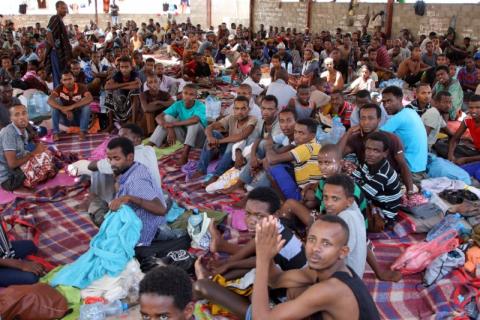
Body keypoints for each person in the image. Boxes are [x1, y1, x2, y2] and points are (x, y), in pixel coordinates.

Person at [193, 187, 306, 319]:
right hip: (279, 282)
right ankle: (213, 277)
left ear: (275, 215)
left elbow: (259, 263)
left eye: (259, 216)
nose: (251, 220)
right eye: (248, 213)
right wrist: (229, 263)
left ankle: (207, 284)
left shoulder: (280, 243)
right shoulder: (276, 226)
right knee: (245, 269)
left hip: (278, 306)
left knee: (201, 286)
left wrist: (229, 265)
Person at [251, 202, 378, 319]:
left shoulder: (331, 289)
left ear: (342, 252)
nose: (315, 248)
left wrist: (261, 260)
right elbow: (275, 280)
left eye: (326, 243)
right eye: (312, 239)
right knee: (295, 291)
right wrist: (268, 257)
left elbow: (261, 318)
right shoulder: (321, 271)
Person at [106, 137, 188, 264]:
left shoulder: (136, 182)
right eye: (110, 159)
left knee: (134, 254)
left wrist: (129, 198)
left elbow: (161, 209)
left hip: (151, 232)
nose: (112, 163)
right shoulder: (133, 167)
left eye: (116, 159)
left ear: (130, 157)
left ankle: (175, 237)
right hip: (151, 224)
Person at [87, 123, 163, 222]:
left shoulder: (127, 157)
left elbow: (91, 166)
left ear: (137, 139)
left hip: (139, 205)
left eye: (123, 137)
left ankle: (98, 201)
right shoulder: (149, 149)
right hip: (154, 197)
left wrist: (109, 161)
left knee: (99, 171)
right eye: (119, 137)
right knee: (111, 170)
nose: (119, 140)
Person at [192, 96, 257, 182]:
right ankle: (201, 169)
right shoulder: (231, 117)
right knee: (214, 133)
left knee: (232, 143)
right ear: (233, 109)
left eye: (243, 108)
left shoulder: (252, 119)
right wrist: (210, 138)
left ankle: (217, 175)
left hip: (241, 156)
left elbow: (241, 136)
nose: (239, 112)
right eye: (237, 108)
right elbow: (210, 127)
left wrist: (217, 141)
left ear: (248, 109)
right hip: (227, 153)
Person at [351, 132, 402, 225]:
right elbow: (351, 180)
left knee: (346, 211)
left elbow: (359, 196)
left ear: (385, 153)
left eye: (376, 151)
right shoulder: (367, 164)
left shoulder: (384, 173)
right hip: (372, 202)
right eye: (368, 149)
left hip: (383, 214)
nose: (370, 154)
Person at [148, 84, 206, 165]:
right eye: (185, 93)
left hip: (199, 139)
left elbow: (195, 119)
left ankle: (184, 155)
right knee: (167, 117)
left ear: (196, 96)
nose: (187, 96)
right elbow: (159, 117)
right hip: (185, 138)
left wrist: (172, 124)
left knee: (194, 124)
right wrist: (169, 127)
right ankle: (148, 147)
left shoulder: (201, 106)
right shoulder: (178, 104)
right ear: (181, 94)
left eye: (191, 94)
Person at [381, 86, 428, 182]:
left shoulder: (399, 117)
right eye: (384, 102)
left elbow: (376, 137)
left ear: (400, 99)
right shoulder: (410, 111)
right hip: (420, 168)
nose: (386, 105)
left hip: (412, 172)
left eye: (389, 101)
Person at [267, 118, 321, 200]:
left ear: (312, 135)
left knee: (270, 165)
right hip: (307, 189)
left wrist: (268, 147)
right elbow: (279, 153)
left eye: (301, 133)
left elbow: (272, 159)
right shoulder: (314, 144)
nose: (296, 136)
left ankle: (284, 200)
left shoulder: (307, 147)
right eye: (295, 132)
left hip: (306, 193)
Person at [0, 104, 47, 191]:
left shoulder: (23, 130)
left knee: (45, 154)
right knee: (42, 164)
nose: (22, 117)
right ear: (11, 119)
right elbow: (12, 164)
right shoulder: (8, 133)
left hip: (17, 168)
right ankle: (23, 185)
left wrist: (38, 148)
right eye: (17, 114)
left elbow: (22, 151)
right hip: (8, 179)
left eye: (24, 113)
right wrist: (34, 153)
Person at [47, 69, 92, 141]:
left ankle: (82, 131)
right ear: (62, 81)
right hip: (65, 119)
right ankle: (56, 132)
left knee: (87, 106)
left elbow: (90, 98)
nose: (68, 82)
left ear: (74, 78)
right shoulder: (59, 88)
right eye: (65, 80)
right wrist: (64, 109)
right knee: (55, 103)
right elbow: (49, 100)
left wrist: (71, 107)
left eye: (70, 79)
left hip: (78, 119)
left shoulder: (81, 87)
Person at [0, 219, 45, 287]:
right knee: (31, 277)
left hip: (3, 250)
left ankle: (9, 261)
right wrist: (21, 265)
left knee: (30, 246)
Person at [446, 95, 480, 179]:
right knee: (442, 145)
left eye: (478, 107)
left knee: (466, 171)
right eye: (471, 108)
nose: (473, 111)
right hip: (476, 152)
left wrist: (466, 159)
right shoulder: (467, 120)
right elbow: (455, 139)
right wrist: (450, 155)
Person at [104, 56, 142, 125]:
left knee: (135, 93)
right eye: (122, 67)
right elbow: (106, 87)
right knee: (108, 92)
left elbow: (138, 85)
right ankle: (110, 124)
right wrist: (128, 84)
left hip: (131, 103)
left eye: (126, 67)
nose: (124, 69)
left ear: (131, 68)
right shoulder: (118, 74)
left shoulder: (134, 74)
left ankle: (133, 122)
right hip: (120, 100)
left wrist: (118, 86)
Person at [46, 1, 72, 88]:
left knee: (61, 73)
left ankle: (61, 93)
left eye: (65, 8)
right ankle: (58, 94)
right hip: (56, 52)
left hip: (60, 53)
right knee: (58, 74)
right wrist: (54, 48)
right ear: (57, 8)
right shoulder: (55, 18)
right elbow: (49, 33)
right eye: (62, 8)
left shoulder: (60, 20)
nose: (65, 10)